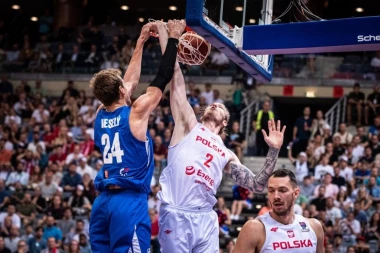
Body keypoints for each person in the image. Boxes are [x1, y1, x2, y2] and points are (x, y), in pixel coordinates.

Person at [155, 23, 286, 253]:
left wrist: (273, 150)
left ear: (225, 121)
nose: (214, 104)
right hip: (177, 212)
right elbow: (175, 77)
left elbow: (257, 185)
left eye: (220, 106)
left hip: (206, 218)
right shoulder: (189, 126)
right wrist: (168, 36)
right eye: (211, 104)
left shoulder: (226, 153)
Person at [89, 20, 186, 253]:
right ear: (122, 91)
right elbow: (163, 76)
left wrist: (141, 40)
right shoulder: (136, 112)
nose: (127, 85)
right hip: (128, 201)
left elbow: (129, 82)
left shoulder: (100, 113)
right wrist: (173, 38)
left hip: (102, 204)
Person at [233, 169, 324, 253]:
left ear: (296, 193)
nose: (276, 196)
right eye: (271, 190)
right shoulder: (254, 228)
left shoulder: (314, 226)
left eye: (282, 190)